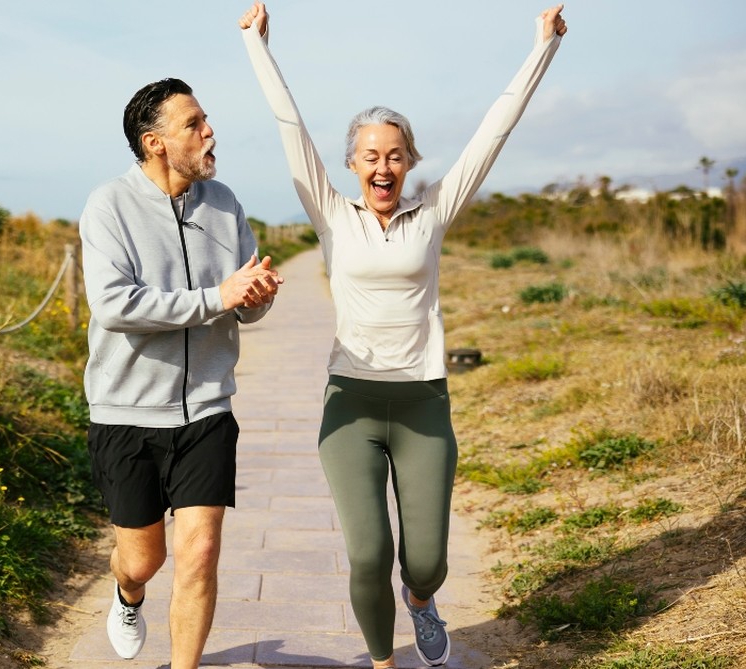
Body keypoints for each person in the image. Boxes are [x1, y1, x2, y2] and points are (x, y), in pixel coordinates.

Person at [238, 4, 567, 668]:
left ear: (410, 160)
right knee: (366, 552)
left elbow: (494, 130)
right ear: (354, 164)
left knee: (426, 559)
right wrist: (257, 45)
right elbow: (289, 125)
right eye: (370, 156)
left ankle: (421, 601)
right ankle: (383, 661)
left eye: (394, 154)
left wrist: (543, 46)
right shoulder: (332, 214)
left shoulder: (435, 211)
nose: (383, 166)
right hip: (350, 405)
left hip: (422, 401)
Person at [78, 77, 283, 668]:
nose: (209, 131)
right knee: (145, 560)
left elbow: (245, 301)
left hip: (208, 410)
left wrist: (256, 295)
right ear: (155, 142)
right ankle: (127, 592)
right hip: (127, 412)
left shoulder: (224, 203)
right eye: (193, 123)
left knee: (201, 553)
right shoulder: (108, 205)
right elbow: (116, 306)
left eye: (205, 119)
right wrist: (219, 296)